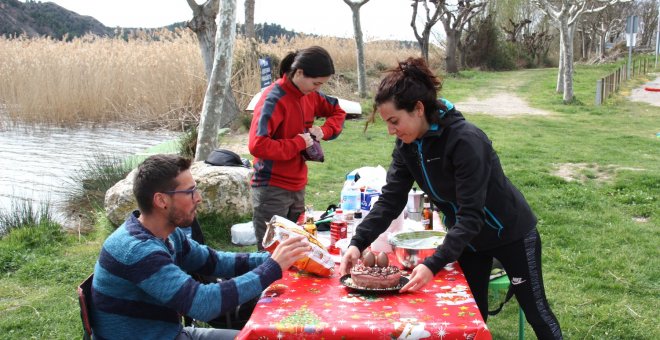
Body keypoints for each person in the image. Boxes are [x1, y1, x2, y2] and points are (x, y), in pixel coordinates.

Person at [339, 57, 563, 339]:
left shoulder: (465, 140)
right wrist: (358, 242)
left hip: (510, 233)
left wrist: (433, 264)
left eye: (394, 121)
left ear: (418, 109)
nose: (391, 131)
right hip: (467, 242)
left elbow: (472, 214)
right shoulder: (406, 146)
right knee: (471, 317)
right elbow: (390, 200)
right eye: (387, 123)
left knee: (537, 312)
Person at [90, 154, 311, 340]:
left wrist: (280, 257)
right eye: (190, 192)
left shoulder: (167, 233)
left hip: (171, 333)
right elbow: (204, 303)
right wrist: (272, 267)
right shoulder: (138, 251)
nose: (199, 198)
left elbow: (214, 261)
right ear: (161, 201)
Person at [249, 45, 346, 249]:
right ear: (299, 72)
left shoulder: (310, 94)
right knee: (270, 255)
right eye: (316, 83)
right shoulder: (273, 99)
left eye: (321, 84)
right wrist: (298, 143)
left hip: (298, 185)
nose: (318, 88)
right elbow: (257, 145)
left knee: (296, 252)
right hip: (271, 188)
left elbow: (338, 111)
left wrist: (325, 130)